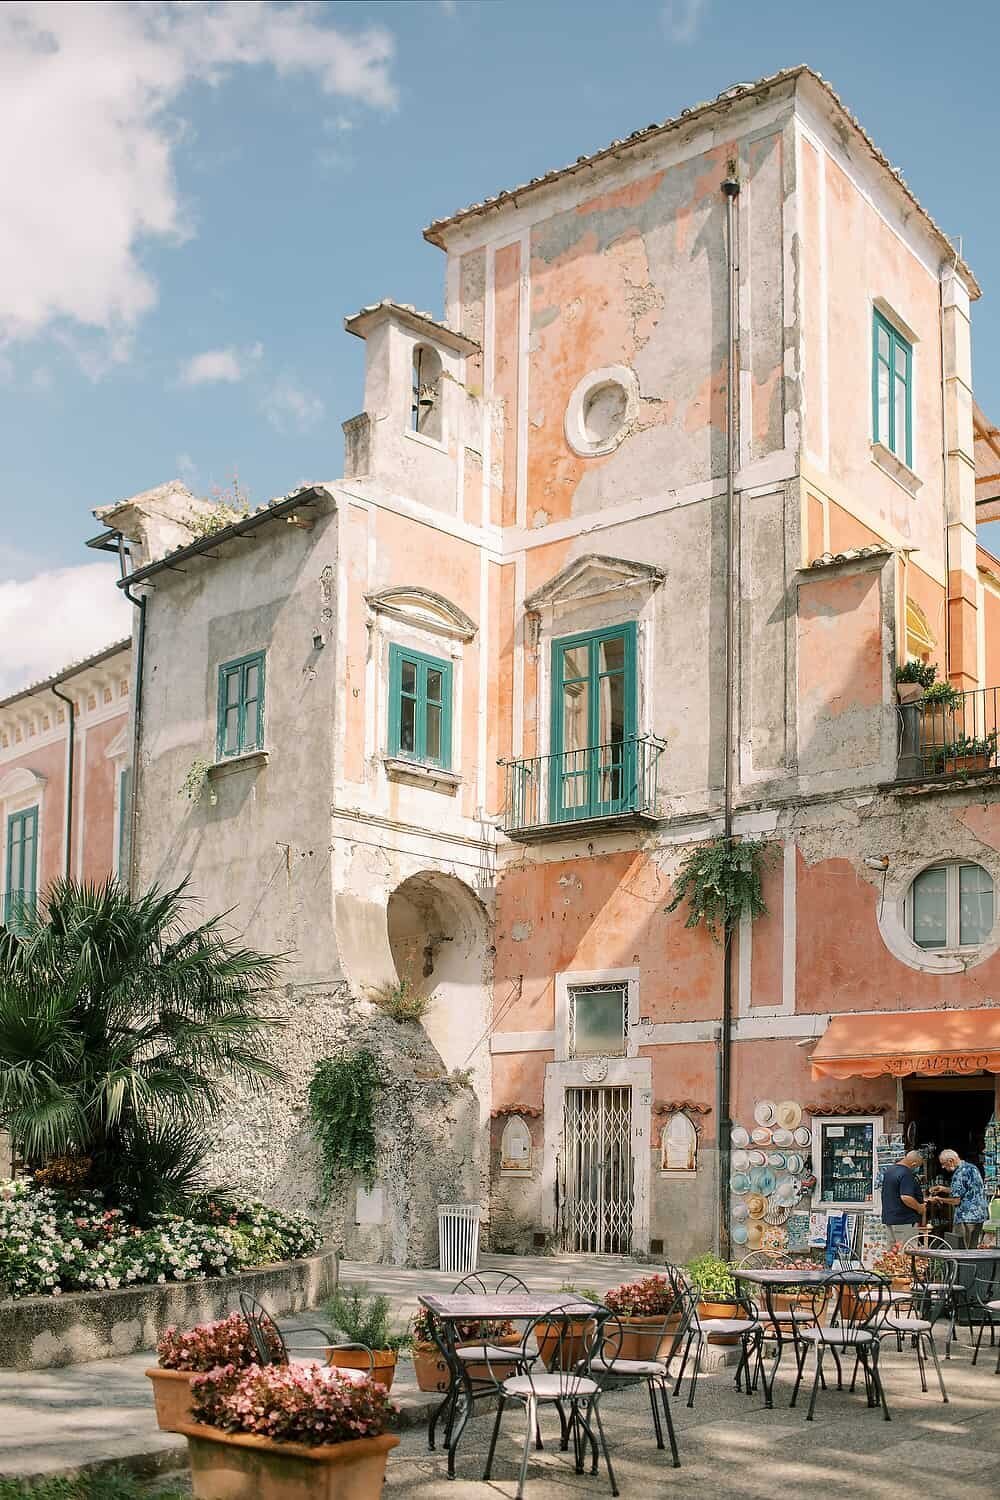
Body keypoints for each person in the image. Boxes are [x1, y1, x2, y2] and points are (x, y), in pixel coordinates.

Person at [930, 1149, 988, 1249]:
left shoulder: (959, 1174)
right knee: (972, 1250)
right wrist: (943, 1189)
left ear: (951, 1161)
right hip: (979, 1215)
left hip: (965, 1217)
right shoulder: (972, 1168)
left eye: (944, 1164)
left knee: (960, 1250)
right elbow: (966, 1190)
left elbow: (956, 1200)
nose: (943, 1167)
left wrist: (939, 1199)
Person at [880, 1149, 926, 1244]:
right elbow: (906, 1197)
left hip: (890, 1219)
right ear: (914, 1163)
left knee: (892, 1255)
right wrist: (920, 1208)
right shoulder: (906, 1174)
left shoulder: (889, 1171)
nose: (917, 1168)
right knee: (906, 1253)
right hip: (905, 1221)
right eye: (918, 1166)